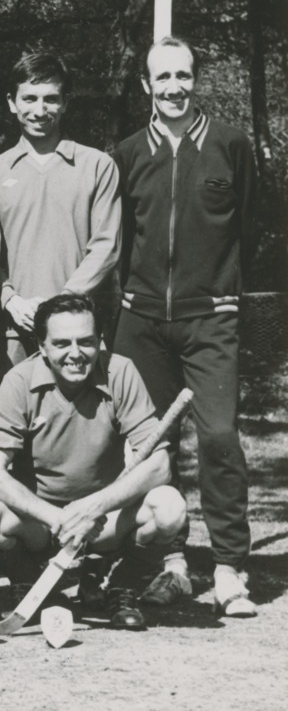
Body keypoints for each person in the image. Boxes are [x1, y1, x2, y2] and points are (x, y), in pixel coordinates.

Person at [112, 36, 259, 618]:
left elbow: (249, 226)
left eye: (183, 75)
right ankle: (171, 566)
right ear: (146, 86)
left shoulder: (231, 146)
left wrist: (234, 299)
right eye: (162, 78)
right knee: (149, 448)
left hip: (211, 318)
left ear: (196, 78)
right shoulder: (125, 154)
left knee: (219, 437)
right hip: (142, 321)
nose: (174, 87)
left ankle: (228, 569)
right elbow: (120, 242)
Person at [0, 293, 186, 630]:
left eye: (86, 341)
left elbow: (160, 466)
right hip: (39, 523)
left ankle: (120, 587)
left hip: (103, 520)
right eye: (62, 343)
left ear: (100, 341)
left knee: (170, 507)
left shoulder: (121, 371)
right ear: (42, 346)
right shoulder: (18, 382)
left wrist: (94, 507)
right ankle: (35, 584)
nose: (75, 353)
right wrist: (57, 517)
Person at [0, 52, 120, 383]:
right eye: (29, 98)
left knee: (81, 429)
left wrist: (63, 303)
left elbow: (106, 246)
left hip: (78, 331)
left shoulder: (97, 166)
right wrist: (9, 299)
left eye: (51, 99)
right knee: (9, 427)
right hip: (13, 329)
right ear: (12, 103)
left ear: (66, 103)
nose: (40, 110)